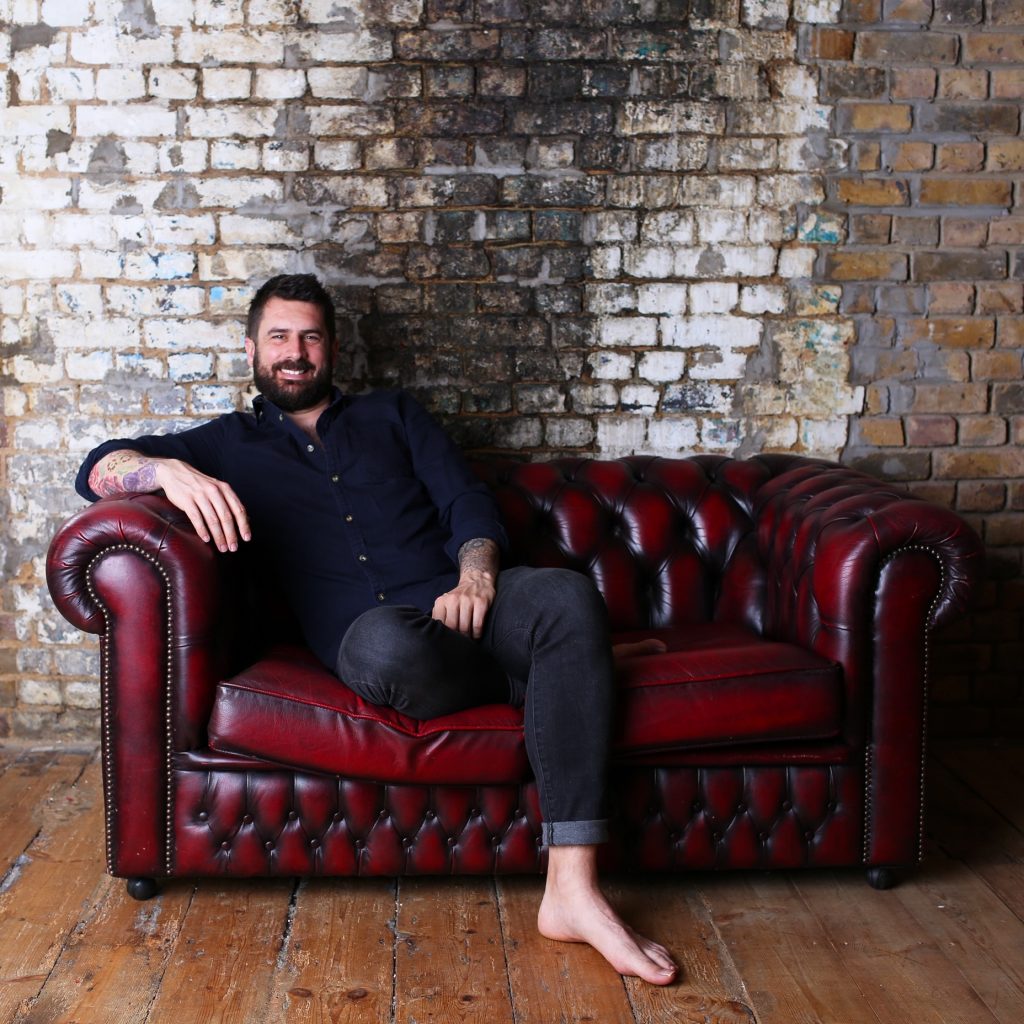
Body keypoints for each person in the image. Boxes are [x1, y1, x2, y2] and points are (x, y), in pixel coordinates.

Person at [75, 273, 678, 985]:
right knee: (388, 647)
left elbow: (466, 501)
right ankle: (569, 669)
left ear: (331, 348)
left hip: (466, 603)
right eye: (279, 337)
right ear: (251, 350)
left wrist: (476, 575)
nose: (295, 352)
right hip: (377, 637)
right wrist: (164, 471)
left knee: (565, 596)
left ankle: (573, 889)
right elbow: (95, 468)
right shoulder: (225, 444)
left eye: (310, 336)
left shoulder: (396, 415)